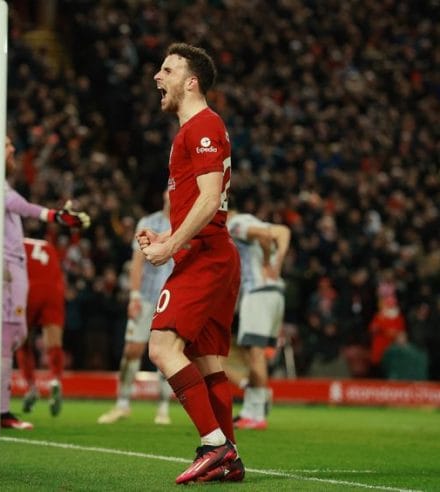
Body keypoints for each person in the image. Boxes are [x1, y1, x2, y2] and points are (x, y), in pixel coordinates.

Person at [137, 43, 243, 484]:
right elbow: (204, 204)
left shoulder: (202, 125)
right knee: (206, 362)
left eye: (167, 70)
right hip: (211, 252)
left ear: (191, 81)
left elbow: (209, 197)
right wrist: (167, 237)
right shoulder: (194, 129)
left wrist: (170, 247)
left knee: (161, 348)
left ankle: (214, 446)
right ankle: (230, 459)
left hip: (205, 255)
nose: (157, 77)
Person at [0, 136, 89, 430]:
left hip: (8, 263)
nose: (13, 149)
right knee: (10, 333)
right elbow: (18, 204)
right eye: (6, 145)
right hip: (3, 264)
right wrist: (54, 215)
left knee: (13, 334)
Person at [98, 191, 174, 425]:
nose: (170, 194)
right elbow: (137, 262)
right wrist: (134, 296)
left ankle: (163, 408)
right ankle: (122, 404)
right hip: (147, 296)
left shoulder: (187, 222)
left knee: (166, 353)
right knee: (132, 349)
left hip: (172, 297)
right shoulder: (148, 223)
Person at [227, 211, 291, 430]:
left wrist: (265, 261)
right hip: (274, 294)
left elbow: (264, 235)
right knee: (253, 353)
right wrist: (278, 262)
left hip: (258, 293)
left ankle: (257, 414)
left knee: (255, 354)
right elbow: (283, 231)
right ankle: (249, 410)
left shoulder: (235, 224)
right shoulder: (251, 220)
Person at [17, 237, 66, 417]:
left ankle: (31, 387)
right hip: (54, 290)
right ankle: (56, 380)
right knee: (54, 342)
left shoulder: (15, 243)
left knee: (22, 341)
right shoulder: (47, 245)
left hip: (30, 287)